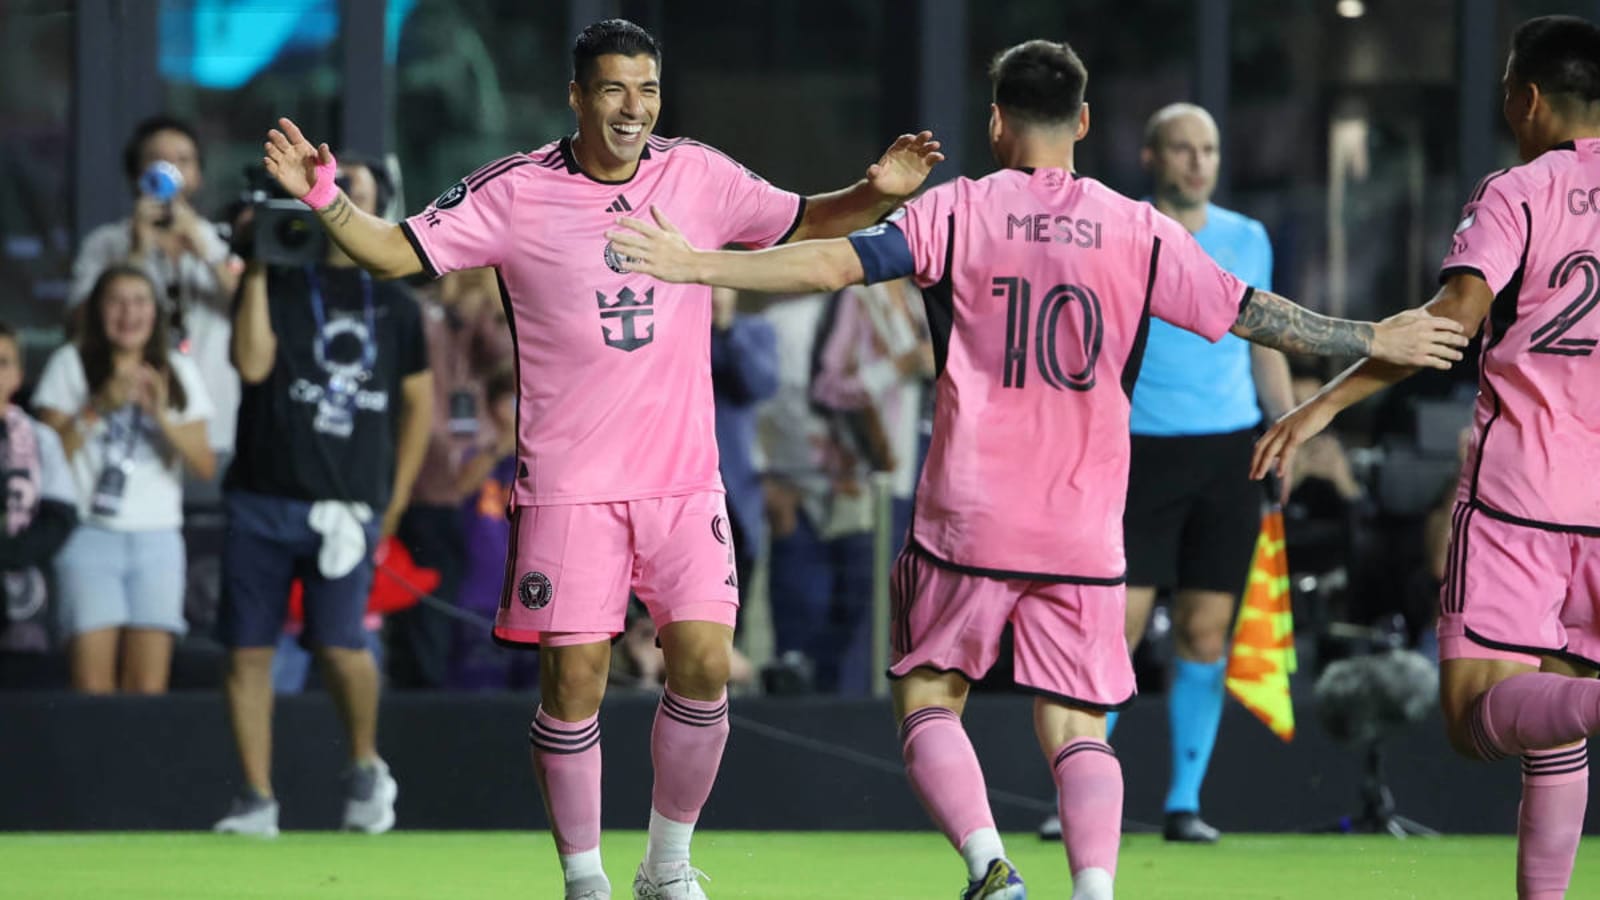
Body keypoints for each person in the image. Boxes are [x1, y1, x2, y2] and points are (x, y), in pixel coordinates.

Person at [605, 38, 1468, 900]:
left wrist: (695, 265)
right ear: (1084, 122)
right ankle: (1093, 888)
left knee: (929, 697)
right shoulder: (1139, 228)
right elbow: (1252, 314)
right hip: (1086, 522)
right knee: (1080, 722)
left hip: (968, 516)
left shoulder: (959, 210)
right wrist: (1371, 336)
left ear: (995, 122)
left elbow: (839, 264)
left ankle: (990, 868)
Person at [257, 18, 942, 900]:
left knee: (702, 659)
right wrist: (325, 199)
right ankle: (585, 880)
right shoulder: (515, 190)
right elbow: (396, 252)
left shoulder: (696, 172)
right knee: (574, 679)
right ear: (577, 97)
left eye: (648, 91)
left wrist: (875, 190)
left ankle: (666, 865)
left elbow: (800, 223)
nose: (634, 109)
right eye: (615, 90)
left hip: (683, 477)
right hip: (571, 485)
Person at [1253, 16, 1600, 898]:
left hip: (1524, 495)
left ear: (1525, 99)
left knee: (1476, 712)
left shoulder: (1521, 189)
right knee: (1553, 719)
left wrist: (1322, 405)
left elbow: (1450, 322)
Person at [1046, 102, 1293, 844]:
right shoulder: (1122, 226)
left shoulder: (1249, 237)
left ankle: (1184, 802)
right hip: (1138, 451)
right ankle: (1079, 802)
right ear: (1152, 157)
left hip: (1227, 452)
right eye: (1182, 148)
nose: (1197, 161)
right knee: (1112, 628)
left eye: (1209, 149)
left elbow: (1265, 342)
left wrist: (1286, 426)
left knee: (1206, 630)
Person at [213, 155, 432, 837]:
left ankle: (365, 765)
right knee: (247, 649)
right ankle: (255, 798)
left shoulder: (396, 301)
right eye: (326, 193)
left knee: (339, 644)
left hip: (349, 504)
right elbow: (250, 365)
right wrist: (256, 261)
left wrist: (393, 500)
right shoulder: (278, 279)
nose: (337, 203)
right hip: (261, 495)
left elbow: (418, 406)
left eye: (352, 192)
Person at [34, 266, 215, 692]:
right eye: (116, 301)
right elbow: (46, 459)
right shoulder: (70, 362)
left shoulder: (177, 371)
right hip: (87, 534)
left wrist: (161, 417)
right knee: (92, 689)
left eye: (140, 301)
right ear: (98, 309)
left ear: (156, 312)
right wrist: (98, 406)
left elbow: (204, 466)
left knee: (147, 691)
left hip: (157, 539)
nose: (129, 313)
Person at [70, 115, 240, 458]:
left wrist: (203, 247)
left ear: (198, 175)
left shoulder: (221, 242)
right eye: (157, 160)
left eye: (182, 161)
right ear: (137, 174)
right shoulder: (105, 244)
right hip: (124, 430)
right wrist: (135, 253)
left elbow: (252, 312)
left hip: (213, 433)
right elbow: (77, 325)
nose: (169, 171)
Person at [389, 266, 512, 690]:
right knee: (425, 615)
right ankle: (425, 705)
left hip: (476, 480)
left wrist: (496, 303)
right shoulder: (415, 312)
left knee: (469, 602)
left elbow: (509, 365)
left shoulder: (478, 320)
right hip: (424, 485)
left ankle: (448, 698)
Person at [0, 322, 77, 654]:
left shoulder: (40, 439)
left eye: (3, 362)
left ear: (18, 375)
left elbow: (59, 516)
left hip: (23, 586)